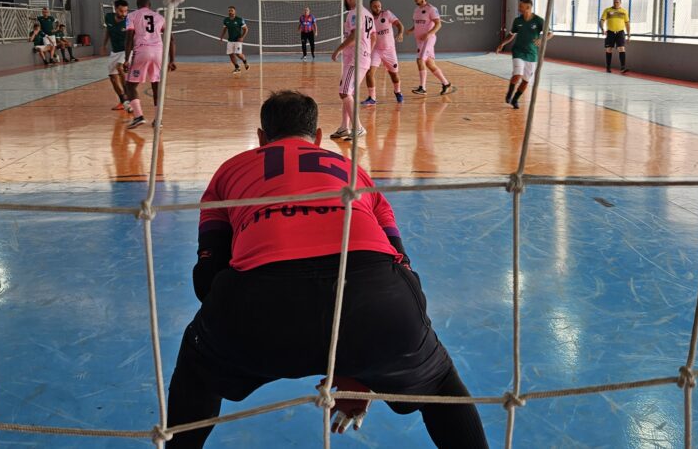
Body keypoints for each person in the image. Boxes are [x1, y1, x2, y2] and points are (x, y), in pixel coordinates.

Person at [165, 90, 487, 449]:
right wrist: (359, 364)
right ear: (318, 137)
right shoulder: (356, 174)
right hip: (378, 302)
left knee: (197, 371)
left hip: (261, 306)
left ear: (260, 138)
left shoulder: (229, 171)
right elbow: (403, 264)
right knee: (440, 383)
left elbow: (206, 279)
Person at [329, 0, 375, 140]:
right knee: (347, 92)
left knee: (344, 92)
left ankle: (358, 127)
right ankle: (344, 127)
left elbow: (355, 36)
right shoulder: (367, 13)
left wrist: (338, 49)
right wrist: (368, 51)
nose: (343, 0)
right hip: (359, 58)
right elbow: (373, 37)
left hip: (356, 59)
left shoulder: (355, 13)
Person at [124, 0, 176, 129]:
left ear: (137, 4)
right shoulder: (159, 17)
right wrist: (172, 60)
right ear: (150, 5)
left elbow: (129, 38)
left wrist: (126, 59)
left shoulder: (132, 15)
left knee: (130, 86)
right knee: (156, 86)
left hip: (142, 51)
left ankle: (138, 116)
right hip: (158, 53)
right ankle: (158, 120)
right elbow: (171, 39)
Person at [494, 0, 551, 109]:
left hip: (531, 54)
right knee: (517, 74)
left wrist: (541, 39)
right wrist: (502, 44)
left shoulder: (539, 21)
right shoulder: (517, 21)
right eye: (519, 5)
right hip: (518, 51)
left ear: (528, 7)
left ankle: (515, 99)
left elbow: (549, 34)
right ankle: (509, 93)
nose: (519, 8)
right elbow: (511, 34)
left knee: (525, 81)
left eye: (521, 6)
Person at [406, 0, 453, 96]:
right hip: (419, 40)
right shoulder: (416, 10)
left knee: (419, 60)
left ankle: (423, 88)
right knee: (430, 64)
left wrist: (429, 33)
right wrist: (411, 30)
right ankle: (446, 83)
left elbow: (438, 24)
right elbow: (417, 24)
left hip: (428, 39)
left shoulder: (431, 9)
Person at [363, 0, 404, 105]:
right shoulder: (369, 18)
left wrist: (400, 33)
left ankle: (398, 91)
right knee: (369, 73)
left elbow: (399, 25)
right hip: (376, 50)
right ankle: (372, 98)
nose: (378, 8)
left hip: (389, 51)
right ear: (371, 7)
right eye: (375, 6)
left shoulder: (387, 14)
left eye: (379, 6)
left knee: (394, 74)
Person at [104, 0, 131, 110]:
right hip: (114, 51)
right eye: (121, 11)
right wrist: (103, 45)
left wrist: (129, 58)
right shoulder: (108, 17)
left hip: (126, 50)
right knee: (112, 77)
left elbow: (132, 39)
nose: (124, 14)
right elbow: (108, 31)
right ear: (115, 9)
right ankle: (123, 101)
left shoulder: (128, 21)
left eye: (126, 11)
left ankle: (128, 96)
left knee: (119, 68)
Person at [599, 0, 630, 73]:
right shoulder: (607, 10)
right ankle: (608, 67)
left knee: (621, 48)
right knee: (609, 49)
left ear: (620, 2)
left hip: (620, 32)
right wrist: (602, 29)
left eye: (617, 2)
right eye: (614, 2)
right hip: (610, 32)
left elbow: (627, 24)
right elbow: (601, 20)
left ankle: (623, 68)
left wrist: (629, 35)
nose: (615, 3)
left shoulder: (624, 11)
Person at [219, 6, 249, 74]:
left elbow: (246, 29)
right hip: (230, 40)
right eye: (229, 11)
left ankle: (245, 62)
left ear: (235, 11)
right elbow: (224, 29)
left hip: (237, 40)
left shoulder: (239, 19)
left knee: (238, 54)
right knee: (230, 54)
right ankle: (237, 68)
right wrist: (221, 36)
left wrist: (242, 37)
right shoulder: (226, 20)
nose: (230, 12)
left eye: (231, 10)